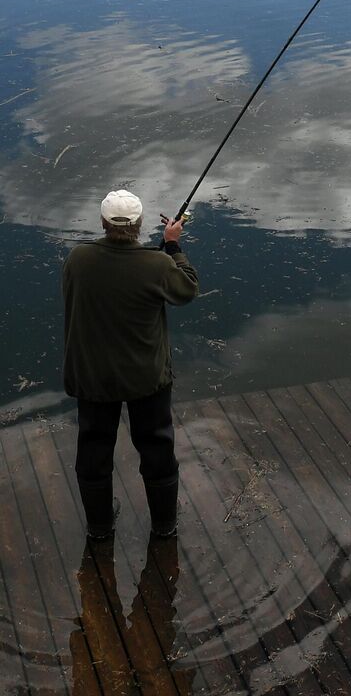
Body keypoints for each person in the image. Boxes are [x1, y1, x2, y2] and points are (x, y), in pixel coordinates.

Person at [63, 189, 199, 540]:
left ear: (103, 223)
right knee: (156, 446)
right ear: (139, 225)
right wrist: (172, 246)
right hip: (146, 378)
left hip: (93, 376)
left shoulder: (78, 259)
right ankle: (164, 524)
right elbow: (187, 289)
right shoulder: (157, 265)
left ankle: (99, 527)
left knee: (93, 448)